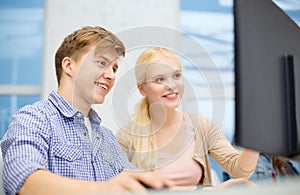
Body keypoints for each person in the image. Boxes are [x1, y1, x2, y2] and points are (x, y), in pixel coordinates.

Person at [0, 27, 173, 195]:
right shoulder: (34, 118)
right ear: (69, 66)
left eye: (114, 68)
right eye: (101, 63)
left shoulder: (107, 138)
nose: (111, 75)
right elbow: (24, 181)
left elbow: (133, 180)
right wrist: (103, 190)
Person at [116, 47, 259, 187]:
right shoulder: (126, 138)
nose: (171, 85)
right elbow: (120, 188)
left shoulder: (201, 125)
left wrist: (256, 131)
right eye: (160, 79)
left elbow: (241, 171)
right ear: (142, 89)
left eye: (176, 75)